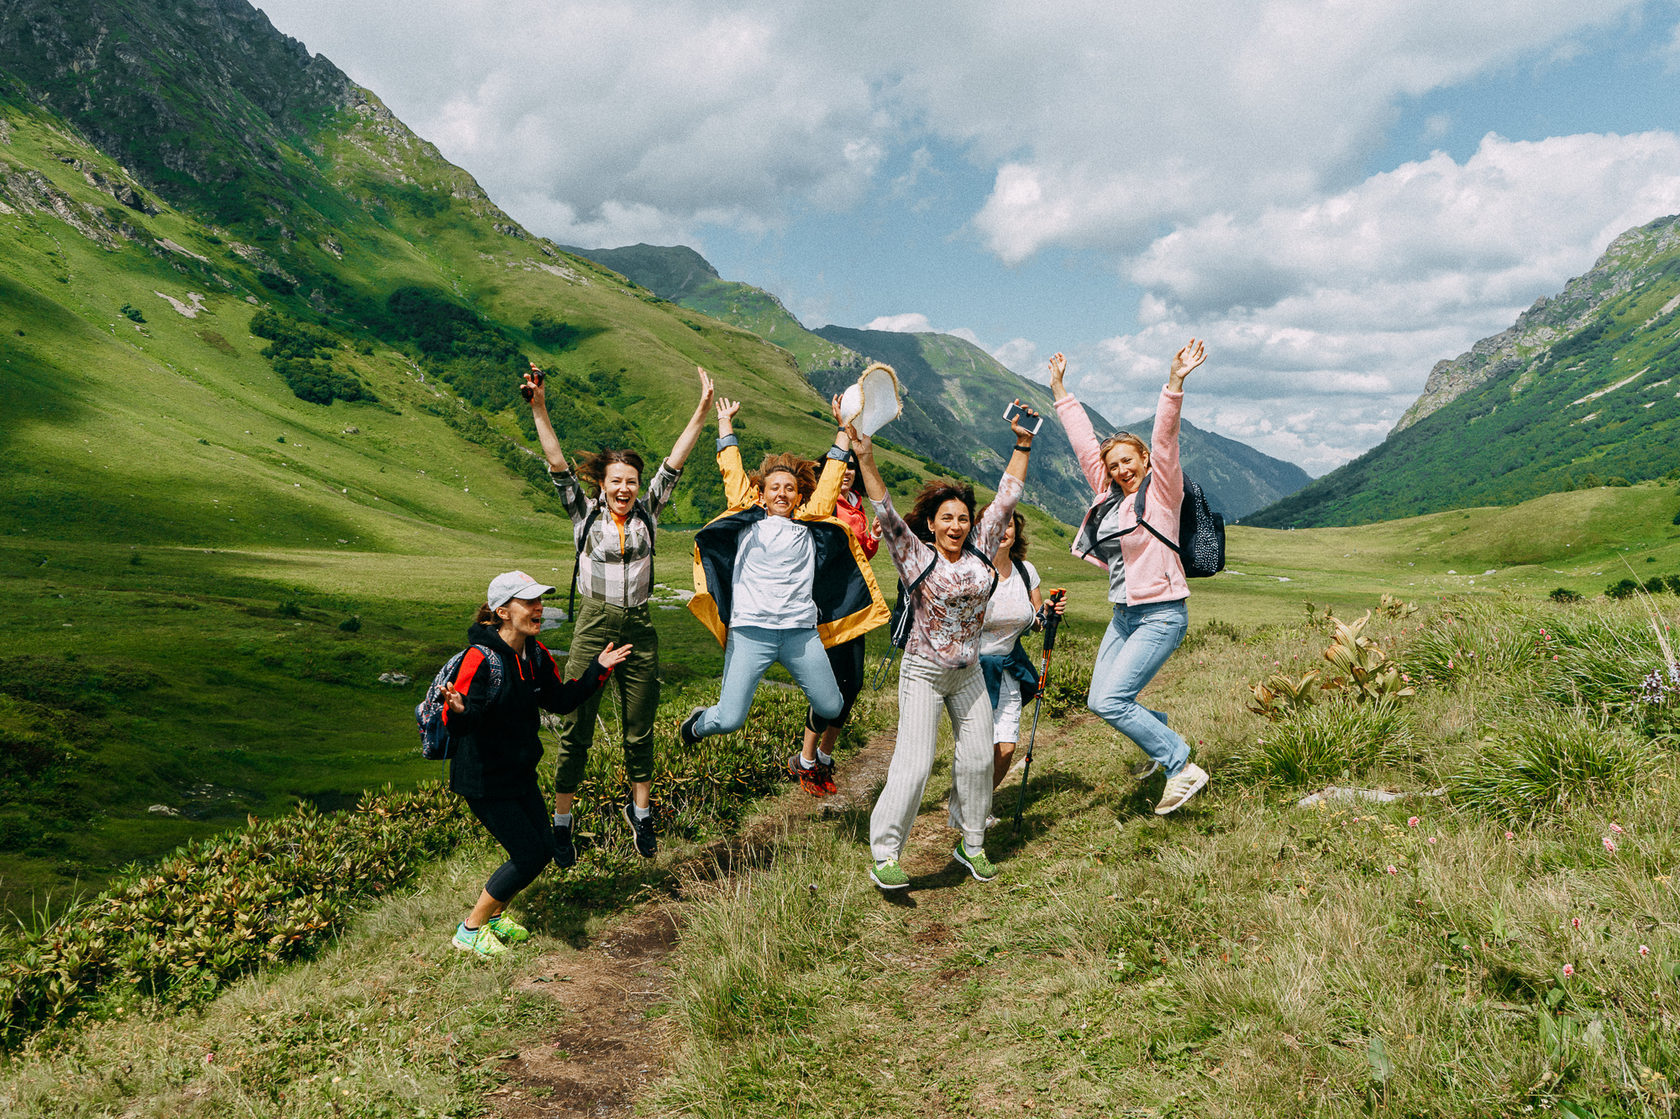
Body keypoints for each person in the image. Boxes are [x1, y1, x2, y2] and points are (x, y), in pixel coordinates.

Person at [524, 362, 712, 861]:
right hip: (593, 624)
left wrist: (700, 413)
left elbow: (675, 461)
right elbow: (557, 463)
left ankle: (641, 814)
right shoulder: (583, 515)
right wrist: (540, 408)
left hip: (640, 627)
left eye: (631, 480)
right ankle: (561, 823)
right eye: (616, 481)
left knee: (639, 726)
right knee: (576, 727)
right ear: (602, 485)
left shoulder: (649, 510)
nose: (625, 488)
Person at [850, 405, 1038, 890]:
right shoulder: (913, 555)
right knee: (913, 765)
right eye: (946, 518)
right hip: (923, 672)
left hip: (969, 672)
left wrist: (1023, 444)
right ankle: (885, 855)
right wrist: (865, 458)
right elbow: (884, 509)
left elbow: (1007, 495)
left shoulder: (981, 546)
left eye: (961, 518)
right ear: (931, 524)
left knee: (978, 760)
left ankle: (971, 844)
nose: (956, 525)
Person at [1048, 341, 1210, 815]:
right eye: (1113, 464)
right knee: (1101, 700)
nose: (1121, 469)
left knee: (1115, 700)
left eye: (1128, 460)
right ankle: (1156, 736)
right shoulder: (1109, 499)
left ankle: (1180, 764)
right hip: (1123, 614)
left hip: (1161, 614)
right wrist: (1060, 390)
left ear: (1143, 460)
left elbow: (1165, 441)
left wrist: (1174, 383)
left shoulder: (1162, 491)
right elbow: (1083, 446)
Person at [437, 571, 633, 957]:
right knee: (527, 854)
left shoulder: (536, 654)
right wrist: (459, 709)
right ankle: (470, 929)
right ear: (502, 612)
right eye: (528, 601)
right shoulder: (481, 658)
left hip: (519, 772)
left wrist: (598, 667)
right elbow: (462, 722)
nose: (538, 607)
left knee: (543, 850)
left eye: (539, 600)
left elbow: (560, 700)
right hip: (484, 778)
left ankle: (493, 917)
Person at [683, 396, 889, 747]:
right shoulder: (749, 517)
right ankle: (697, 725)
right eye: (774, 488)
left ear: (798, 495)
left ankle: (809, 753)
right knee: (730, 718)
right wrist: (725, 423)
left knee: (832, 704)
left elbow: (834, 473)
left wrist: (842, 428)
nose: (782, 493)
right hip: (751, 632)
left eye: (789, 488)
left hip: (799, 634)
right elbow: (731, 472)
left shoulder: (810, 522)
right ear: (761, 494)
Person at [791, 398, 882, 797]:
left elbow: (860, 550)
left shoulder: (857, 505)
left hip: (854, 602)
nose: (845, 473)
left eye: (849, 469)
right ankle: (806, 759)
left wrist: (873, 538)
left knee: (854, 682)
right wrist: (841, 428)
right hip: (826, 603)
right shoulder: (821, 505)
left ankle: (825, 756)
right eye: (839, 468)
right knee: (830, 686)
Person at [977, 510, 1065, 802]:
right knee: (977, 748)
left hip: (1008, 667)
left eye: (1009, 525)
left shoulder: (1025, 571)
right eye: (996, 525)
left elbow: (1036, 620)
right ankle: (970, 807)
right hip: (972, 672)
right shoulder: (971, 570)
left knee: (1006, 748)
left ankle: (977, 805)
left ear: (1016, 531)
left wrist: (1048, 613)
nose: (1003, 531)